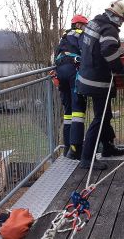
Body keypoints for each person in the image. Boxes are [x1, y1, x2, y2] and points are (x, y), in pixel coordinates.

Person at [76, 0, 124, 170]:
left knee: (105, 116)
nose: (121, 23)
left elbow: (87, 45)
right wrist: (119, 66)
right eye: (122, 19)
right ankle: (87, 158)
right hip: (98, 81)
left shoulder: (94, 23)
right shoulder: (109, 29)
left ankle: (107, 147)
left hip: (86, 77)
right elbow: (107, 50)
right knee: (100, 119)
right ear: (116, 16)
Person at [54, 14, 88, 159]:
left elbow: (55, 55)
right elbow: (86, 52)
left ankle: (68, 146)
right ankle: (76, 148)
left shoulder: (63, 37)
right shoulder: (80, 34)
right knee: (78, 110)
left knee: (68, 112)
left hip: (60, 71)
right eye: (85, 26)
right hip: (73, 70)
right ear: (79, 25)